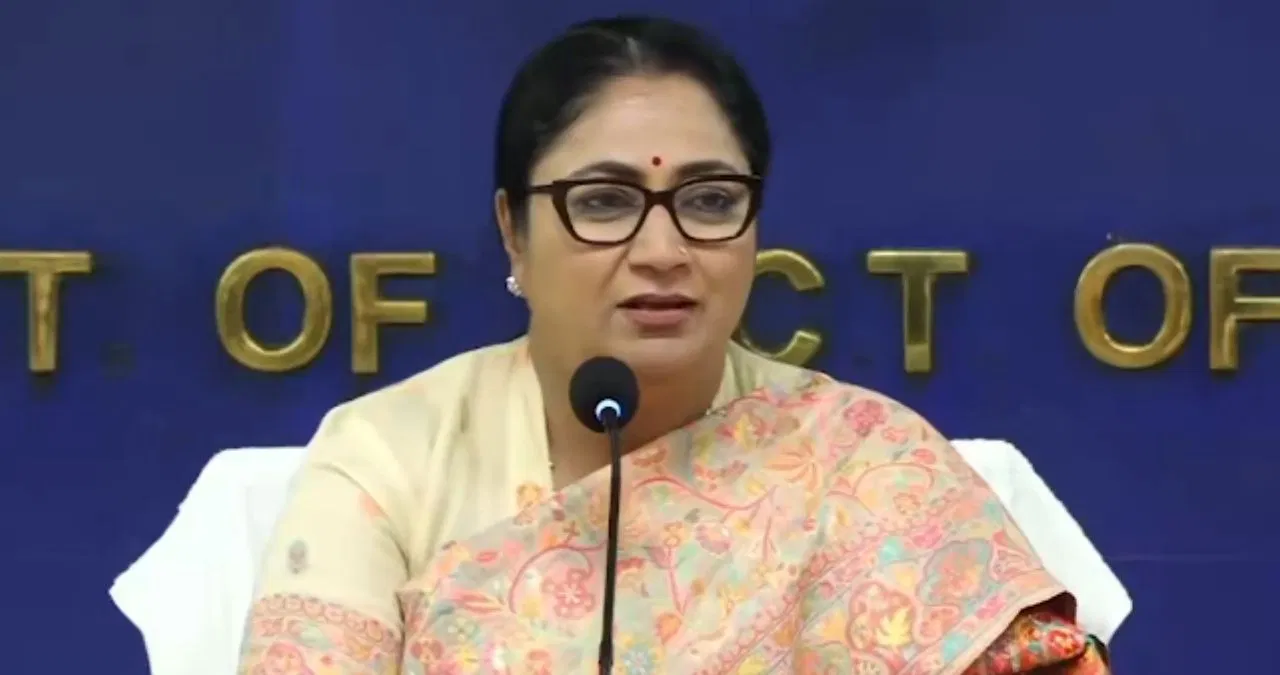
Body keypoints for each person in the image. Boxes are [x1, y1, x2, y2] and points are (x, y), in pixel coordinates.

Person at [237, 15, 1110, 674]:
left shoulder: (868, 465)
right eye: (604, 201)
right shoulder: (388, 459)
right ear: (512, 231)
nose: (663, 249)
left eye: (710, 200)